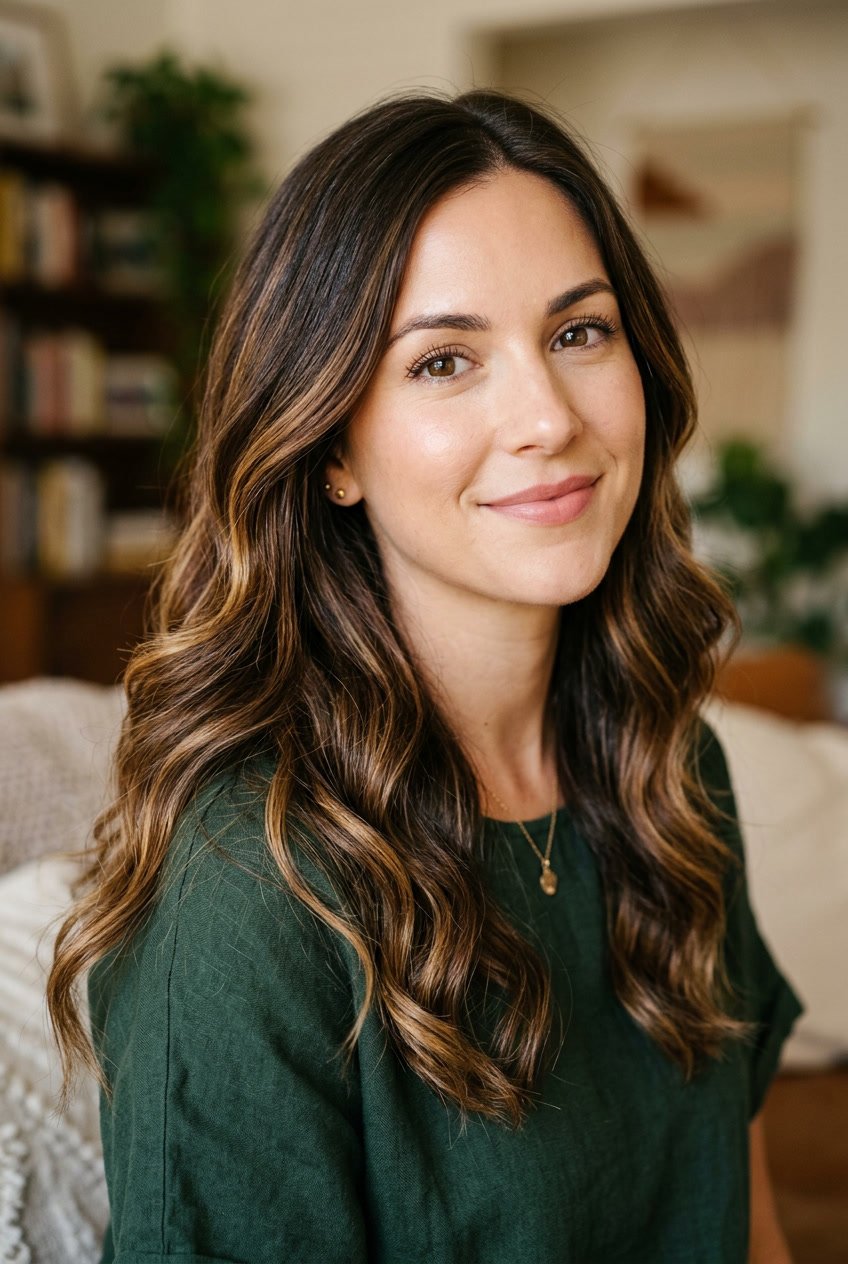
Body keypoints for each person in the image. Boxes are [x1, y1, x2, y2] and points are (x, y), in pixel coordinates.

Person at [48, 89, 803, 1264]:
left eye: (577, 332)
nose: (545, 417)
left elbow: (743, 1218)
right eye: (444, 360)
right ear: (331, 446)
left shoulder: (668, 764)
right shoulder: (254, 894)